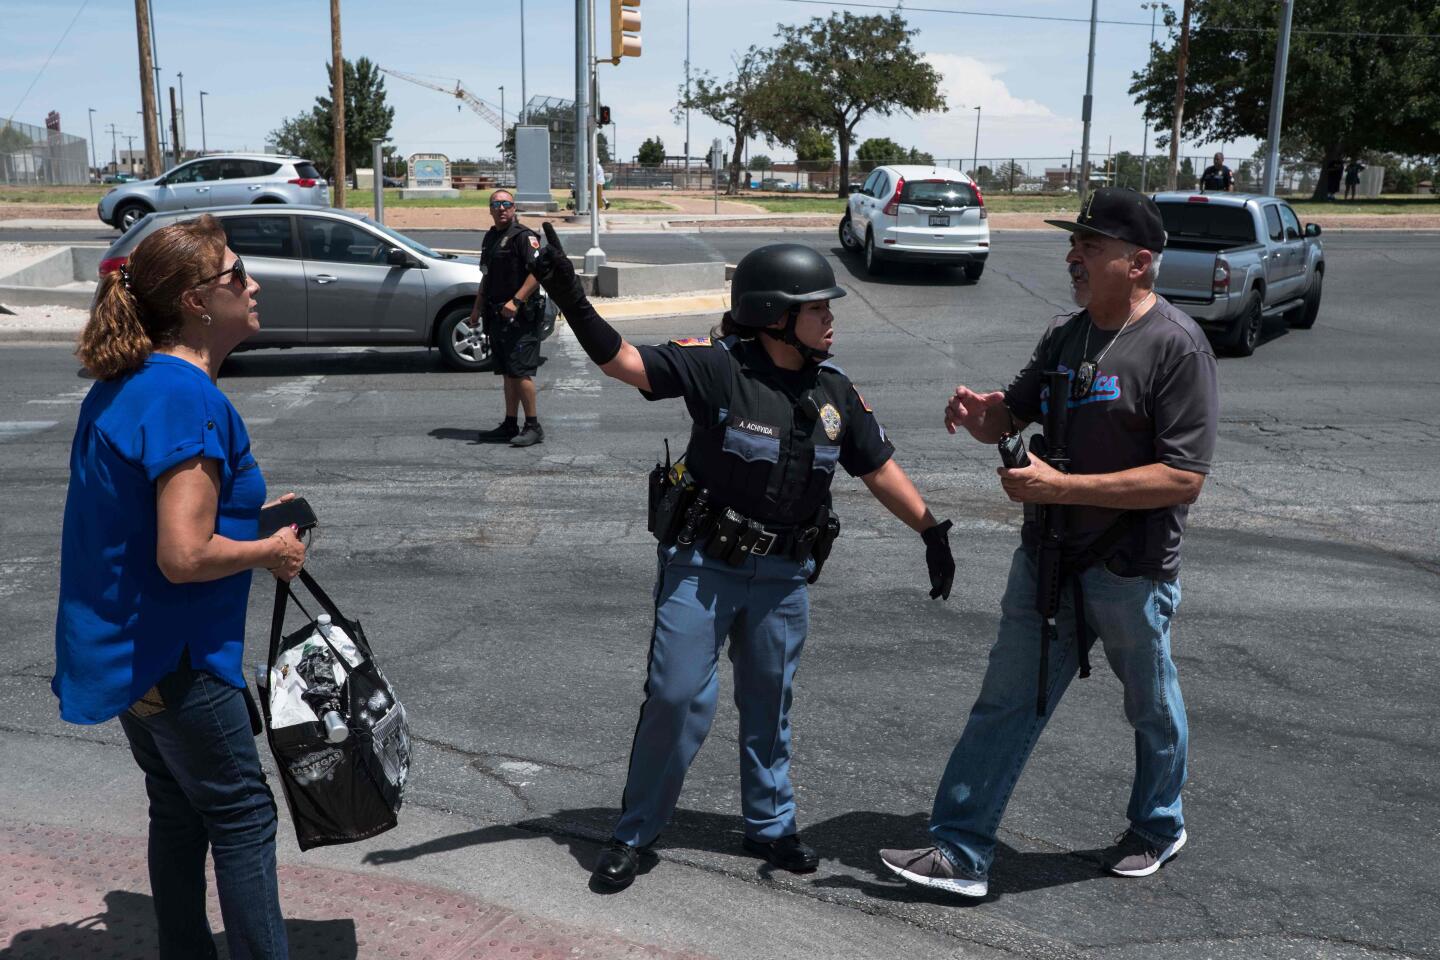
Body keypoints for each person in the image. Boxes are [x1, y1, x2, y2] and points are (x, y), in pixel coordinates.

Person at [525, 226, 957, 891]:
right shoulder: (719, 365)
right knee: (674, 696)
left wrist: (931, 530)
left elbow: (877, 468)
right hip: (704, 565)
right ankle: (634, 830)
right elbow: (625, 363)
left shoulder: (835, 392)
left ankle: (773, 826)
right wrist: (564, 289)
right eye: (819, 308)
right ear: (776, 316)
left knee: (769, 702)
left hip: (784, 577)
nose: (831, 318)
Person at [879, 188, 1218, 899]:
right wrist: (981, 416)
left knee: (1150, 704)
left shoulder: (1177, 347)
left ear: (1140, 263)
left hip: (1130, 568)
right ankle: (960, 850)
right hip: (1049, 560)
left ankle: (1159, 824)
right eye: (1076, 243)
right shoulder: (1067, 334)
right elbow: (1014, 408)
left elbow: (1183, 478)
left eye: (1091, 246)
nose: (1074, 256)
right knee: (1005, 699)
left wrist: (1062, 489)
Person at [55, 214, 306, 958]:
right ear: (197, 300)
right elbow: (184, 555)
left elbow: (148, 518)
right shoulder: (186, 397)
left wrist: (249, 514)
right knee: (242, 816)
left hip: (133, 656)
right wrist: (270, 550)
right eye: (236, 275)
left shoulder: (128, 384)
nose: (252, 284)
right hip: (182, 657)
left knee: (178, 809)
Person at [471, 190, 545, 446]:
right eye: (496, 204)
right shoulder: (491, 238)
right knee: (507, 373)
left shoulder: (524, 237)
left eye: (506, 204)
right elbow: (487, 275)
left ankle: (533, 426)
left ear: (514, 208)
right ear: (490, 209)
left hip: (520, 317)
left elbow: (538, 273)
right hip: (496, 315)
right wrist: (477, 308)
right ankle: (510, 423)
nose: (501, 208)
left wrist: (517, 300)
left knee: (521, 371)